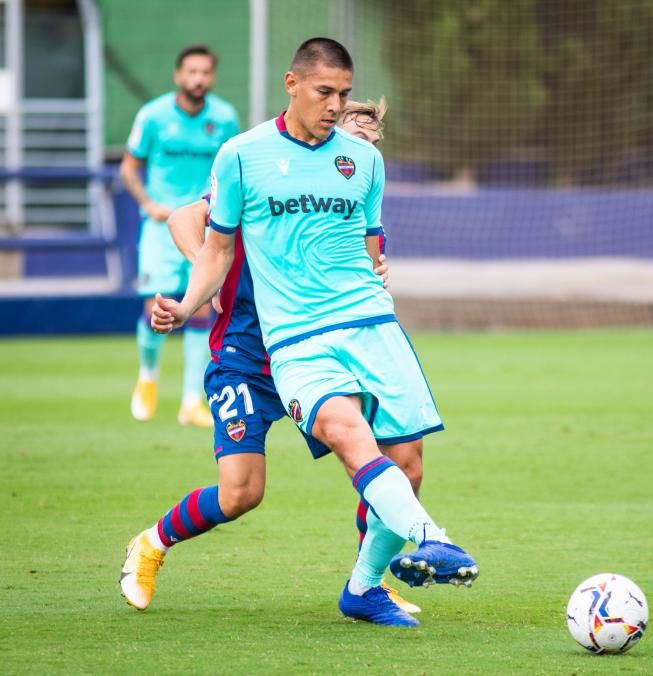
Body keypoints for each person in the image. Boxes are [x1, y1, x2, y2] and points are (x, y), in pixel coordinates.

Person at [142, 38, 477, 627]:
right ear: (292, 83)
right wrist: (191, 302)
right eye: (326, 92)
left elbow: (370, 250)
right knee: (253, 486)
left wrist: (377, 270)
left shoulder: (364, 162)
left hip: (368, 327)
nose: (336, 104)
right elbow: (204, 236)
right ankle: (433, 538)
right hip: (274, 341)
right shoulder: (243, 156)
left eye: (344, 94)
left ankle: (365, 587)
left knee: (409, 464)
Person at [118, 98, 422, 618]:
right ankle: (151, 543)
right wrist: (210, 274)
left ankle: (366, 583)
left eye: (369, 151)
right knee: (241, 493)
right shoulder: (266, 177)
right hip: (248, 354)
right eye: (353, 148)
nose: (359, 162)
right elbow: (185, 220)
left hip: (321, 354)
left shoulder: (356, 204)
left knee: (388, 461)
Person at [120, 45, 240, 427]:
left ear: (213, 77)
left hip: (204, 224)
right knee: (155, 307)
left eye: (205, 72)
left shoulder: (224, 118)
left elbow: (232, 171)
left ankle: (191, 401)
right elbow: (128, 169)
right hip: (159, 227)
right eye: (191, 71)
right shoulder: (153, 116)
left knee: (204, 305)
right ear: (178, 76)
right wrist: (149, 203)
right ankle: (148, 376)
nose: (198, 79)